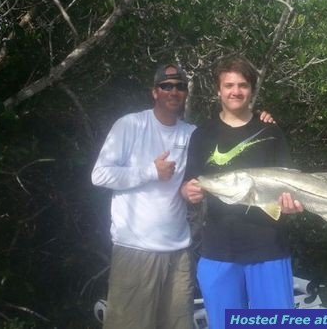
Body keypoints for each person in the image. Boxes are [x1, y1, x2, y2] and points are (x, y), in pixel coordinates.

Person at [91, 63, 276, 329]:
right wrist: (150, 171)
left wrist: (260, 119)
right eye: (166, 86)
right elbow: (99, 176)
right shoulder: (130, 125)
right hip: (135, 249)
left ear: (186, 93)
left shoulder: (193, 134)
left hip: (179, 252)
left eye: (180, 86)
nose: (173, 91)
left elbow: (232, 153)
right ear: (155, 91)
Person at [181, 55, 304, 329]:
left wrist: (290, 205)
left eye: (242, 85)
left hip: (269, 248)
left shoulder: (270, 130)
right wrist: (187, 192)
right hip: (217, 251)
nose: (235, 91)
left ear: (252, 89)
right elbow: (190, 183)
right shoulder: (202, 134)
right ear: (218, 89)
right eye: (229, 85)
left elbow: (290, 183)